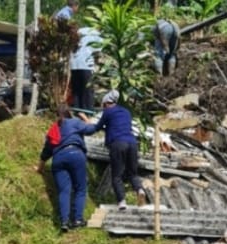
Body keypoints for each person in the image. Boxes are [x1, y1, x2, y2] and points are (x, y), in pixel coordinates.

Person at [83, 90, 149, 211]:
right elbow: (118, 125)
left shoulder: (107, 112)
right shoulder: (126, 112)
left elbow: (97, 127)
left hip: (118, 144)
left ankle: (122, 201)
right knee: (133, 173)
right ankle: (139, 190)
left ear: (106, 103)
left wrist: (84, 129)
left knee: (117, 175)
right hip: (132, 143)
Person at [36, 103, 92, 232]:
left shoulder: (54, 128)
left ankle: (64, 222)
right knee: (80, 189)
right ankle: (78, 220)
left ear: (57, 115)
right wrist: (85, 119)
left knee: (64, 191)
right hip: (76, 154)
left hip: (59, 158)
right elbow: (90, 130)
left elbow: (46, 151)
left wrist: (40, 168)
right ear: (69, 112)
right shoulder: (76, 122)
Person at [69, 27, 101, 113]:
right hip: (87, 66)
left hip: (74, 65)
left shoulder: (80, 32)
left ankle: (77, 112)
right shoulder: (97, 36)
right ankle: (88, 113)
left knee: (77, 91)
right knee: (87, 91)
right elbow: (98, 52)